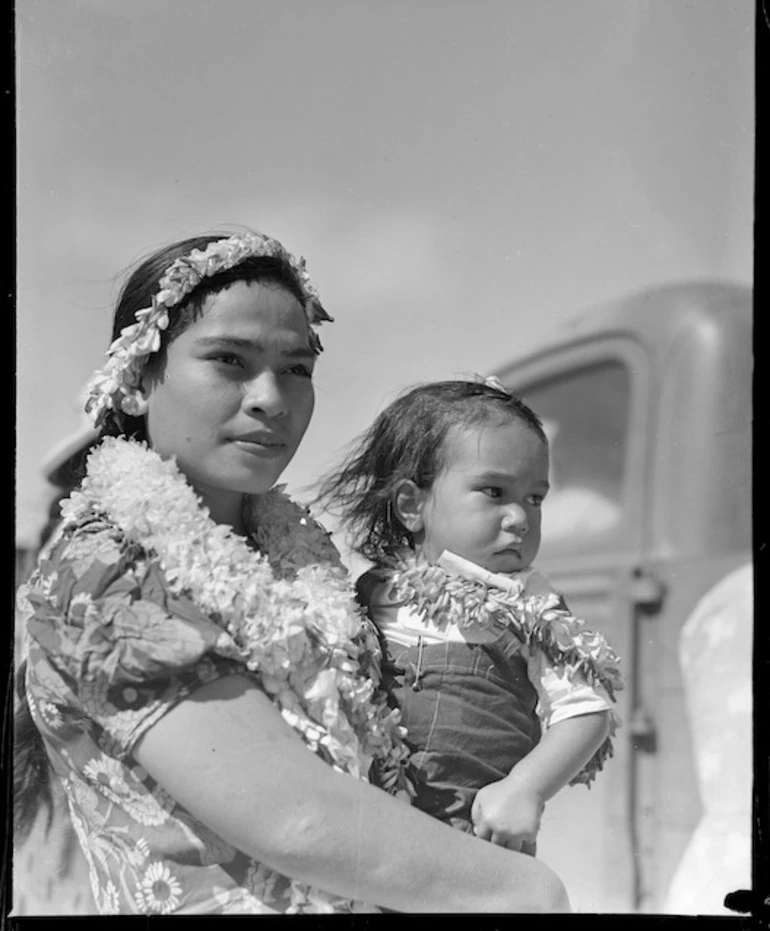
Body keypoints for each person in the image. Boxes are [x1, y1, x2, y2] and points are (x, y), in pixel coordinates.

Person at [14, 229, 571, 915]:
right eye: (228, 360)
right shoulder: (104, 573)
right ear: (134, 383)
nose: (270, 398)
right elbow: (298, 820)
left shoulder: (301, 566)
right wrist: (525, 889)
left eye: (296, 368)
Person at [315, 378, 623, 854]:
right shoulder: (371, 593)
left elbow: (586, 711)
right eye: (495, 491)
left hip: (475, 840)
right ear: (411, 505)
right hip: (372, 834)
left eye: (535, 498)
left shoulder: (530, 605)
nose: (520, 518)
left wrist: (525, 788)